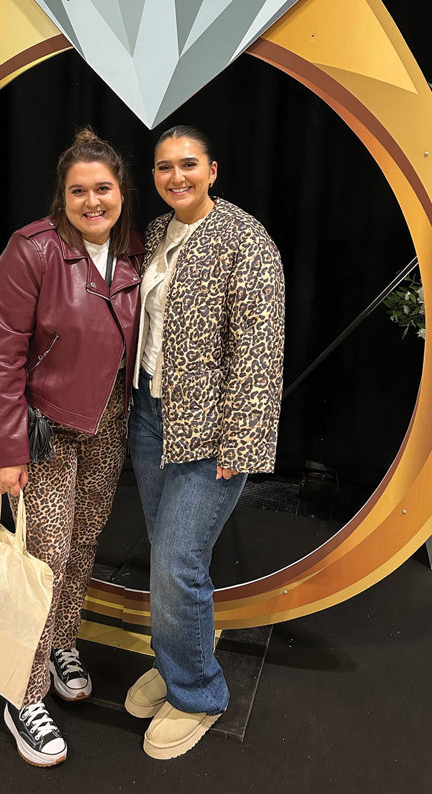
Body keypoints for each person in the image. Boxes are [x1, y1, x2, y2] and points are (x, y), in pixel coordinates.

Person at [0, 128, 143, 768]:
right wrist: (8, 448)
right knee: (43, 556)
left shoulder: (132, 252)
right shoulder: (33, 249)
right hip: (46, 425)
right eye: (79, 190)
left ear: (121, 193)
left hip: (107, 421)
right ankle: (22, 692)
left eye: (103, 188)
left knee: (83, 542)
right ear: (63, 195)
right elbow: (1, 355)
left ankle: (60, 642)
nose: (92, 200)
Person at [124, 124, 285, 760]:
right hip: (150, 414)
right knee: (167, 552)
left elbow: (259, 348)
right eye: (164, 168)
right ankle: (178, 655)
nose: (175, 177)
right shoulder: (160, 234)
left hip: (210, 430)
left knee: (176, 562)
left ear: (212, 169)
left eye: (188, 165)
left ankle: (198, 693)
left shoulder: (245, 239)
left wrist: (239, 443)